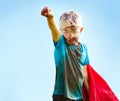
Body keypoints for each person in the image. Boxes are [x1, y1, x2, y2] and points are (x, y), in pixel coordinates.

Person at [41, 6, 90, 101]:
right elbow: (54, 30)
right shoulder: (61, 43)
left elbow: (85, 75)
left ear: (81, 30)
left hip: (79, 97)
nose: (70, 35)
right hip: (62, 96)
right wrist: (50, 18)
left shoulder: (84, 48)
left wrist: (90, 95)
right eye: (65, 31)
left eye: (73, 30)